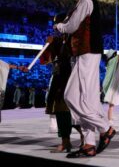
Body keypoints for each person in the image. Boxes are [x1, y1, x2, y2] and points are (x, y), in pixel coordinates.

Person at [53, 0, 115, 158]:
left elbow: (71, 27)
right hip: (85, 53)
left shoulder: (86, 2)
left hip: (86, 53)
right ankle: (88, 144)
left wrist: (59, 27)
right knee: (88, 101)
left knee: (71, 97)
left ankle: (105, 128)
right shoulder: (84, 1)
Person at [39, 19, 84, 153]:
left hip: (72, 78)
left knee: (74, 113)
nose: (57, 28)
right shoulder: (56, 41)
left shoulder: (76, 39)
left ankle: (84, 136)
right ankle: (65, 142)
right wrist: (47, 46)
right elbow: (44, 60)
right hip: (59, 79)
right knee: (59, 110)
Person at [102, 42, 119, 125]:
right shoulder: (113, 60)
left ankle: (111, 116)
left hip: (111, 84)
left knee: (112, 102)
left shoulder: (110, 62)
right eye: (114, 53)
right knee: (111, 103)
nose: (115, 54)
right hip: (111, 85)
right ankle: (109, 119)